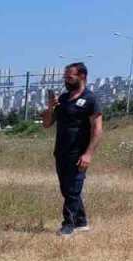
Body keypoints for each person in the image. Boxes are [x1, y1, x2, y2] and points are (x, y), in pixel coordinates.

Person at [42, 61, 103, 237]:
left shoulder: (91, 100)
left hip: (79, 153)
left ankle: (68, 225)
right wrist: (51, 107)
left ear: (82, 76)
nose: (66, 81)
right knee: (66, 189)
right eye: (65, 77)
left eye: (69, 77)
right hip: (61, 151)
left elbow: (97, 129)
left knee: (72, 190)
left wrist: (88, 154)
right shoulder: (62, 99)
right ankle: (81, 222)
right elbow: (47, 124)